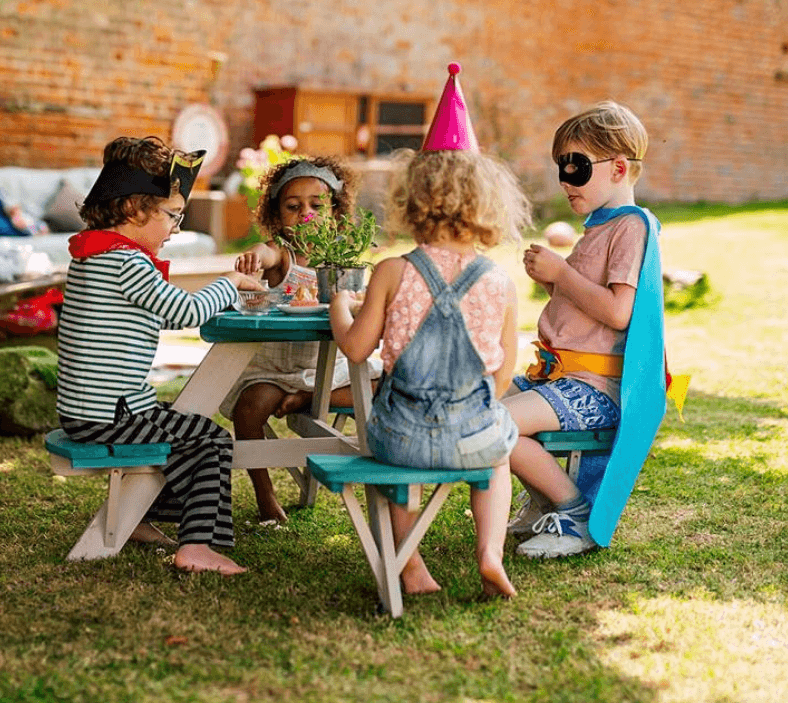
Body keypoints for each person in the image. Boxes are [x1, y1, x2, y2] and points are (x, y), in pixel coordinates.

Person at [329, 63, 532, 599]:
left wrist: (337, 304)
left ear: (412, 199)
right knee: (501, 455)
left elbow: (354, 346)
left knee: (397, 469)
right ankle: (488, 553)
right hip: (476, 437)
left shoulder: (393, 271)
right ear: (487, 204)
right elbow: (504, 374)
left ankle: (412, 564)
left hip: (402, 438)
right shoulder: (499, 282)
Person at [56, 135, 264, 576]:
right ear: (134, 209)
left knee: (183, 427)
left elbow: (162, 305)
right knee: (210, 440)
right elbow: (183, 312)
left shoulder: (98, 256)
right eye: (171, 215)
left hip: (90, 410)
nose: (176, 227)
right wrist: (229, 284)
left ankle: (136, 518)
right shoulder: (124, 262)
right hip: (109, 415)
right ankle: (198, 546)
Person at [504, 101, 667, 559]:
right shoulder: (601, 227)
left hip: (592, 388)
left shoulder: (631, 227)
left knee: (494, 426)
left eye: (576, 167)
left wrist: (560, 274)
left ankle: (572, 510)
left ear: (618, 168)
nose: (564, 179)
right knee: (479, 411)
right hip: (557, 379)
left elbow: (619, 312)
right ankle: (543, 503)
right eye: (561, 167)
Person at [225, 156, 382, 522]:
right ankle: (266, 496)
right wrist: (254, 258)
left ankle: (306, 400)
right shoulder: (283, 252)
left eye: (316, 205)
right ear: (277, 215)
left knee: (385, 381)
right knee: (248, 410)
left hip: (331, 368)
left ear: (336, 211)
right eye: (293, 207)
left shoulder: (341, 255)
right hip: (277, 370)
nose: (305, 214)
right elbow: (264, 254)